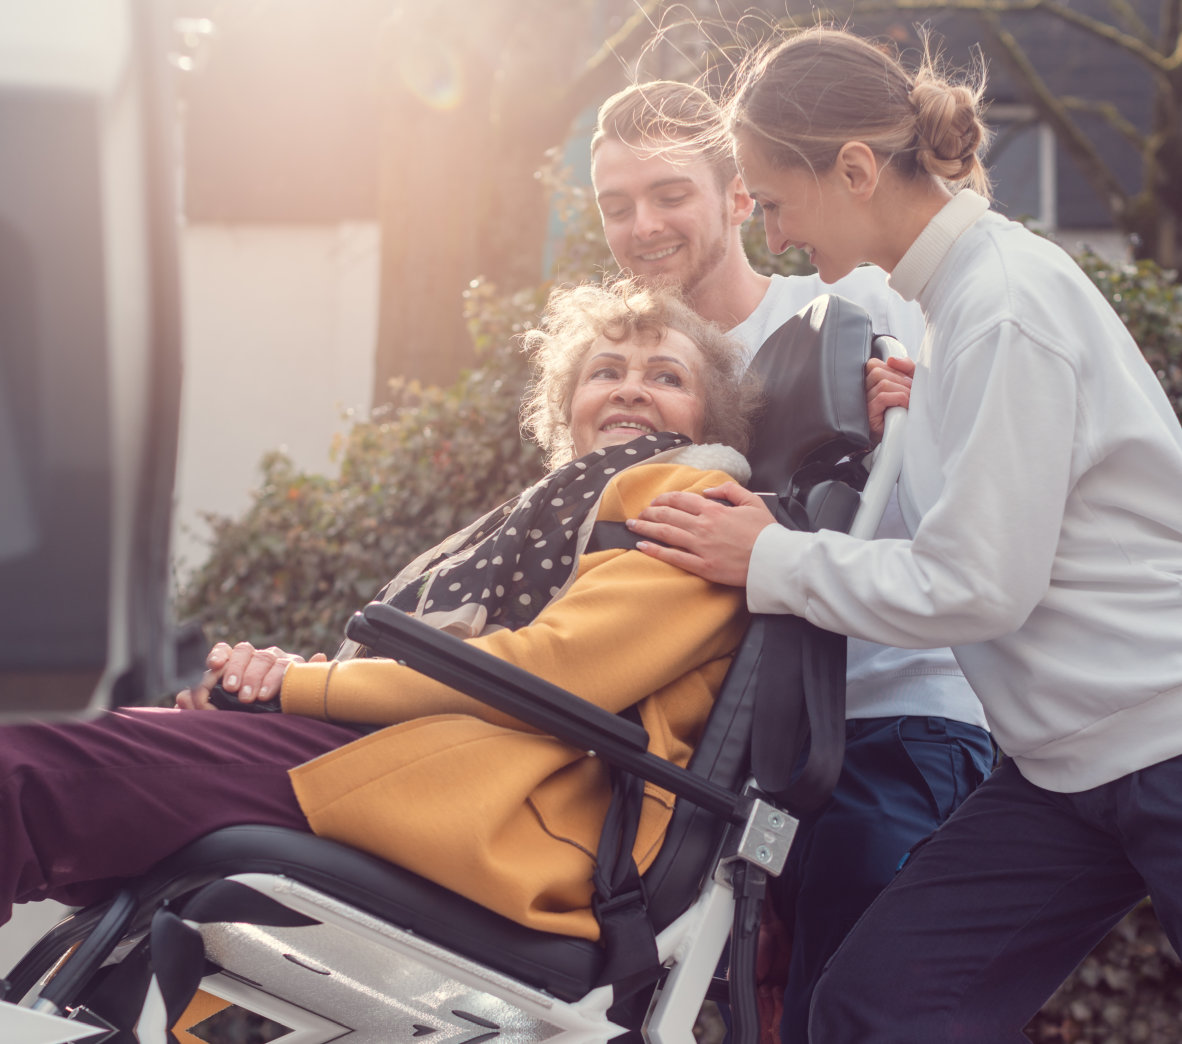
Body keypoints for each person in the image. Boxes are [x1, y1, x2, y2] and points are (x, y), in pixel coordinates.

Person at [625, 28, 1182, 1043]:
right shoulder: (952, 313)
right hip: (1063, 771)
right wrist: (922, 423)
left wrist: (770, 561)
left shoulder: (1006, 305)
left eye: (777, 202)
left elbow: (978, 587)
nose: (778, 236)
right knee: (880, 1008)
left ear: (854, 168)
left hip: (1164, 737)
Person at [1, 279, 759, 943]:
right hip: (424, 765)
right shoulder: (546, 518)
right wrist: (279, 683)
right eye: (606, 371)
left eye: (666, 376)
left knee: (25, 766)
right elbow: (405, 665)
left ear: (710, 421)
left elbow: (548, 675)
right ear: (569, 411)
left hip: (495, 808)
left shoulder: (695, 506)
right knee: (39, 756)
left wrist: (298, 686)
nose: (630, 388)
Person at [592, 80, 994, 1040]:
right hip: (722, 755)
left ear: (742, 196)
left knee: (856, 992)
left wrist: (923, 403)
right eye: (616, 205)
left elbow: (987, 444)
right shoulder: (633, 371)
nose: (642, 225)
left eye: (669, 193)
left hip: (886, 717)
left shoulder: (855, 299)